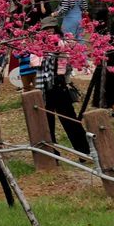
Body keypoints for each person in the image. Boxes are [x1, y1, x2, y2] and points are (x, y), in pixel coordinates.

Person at [36, 19, 90, 155]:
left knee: (69, 120)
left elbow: (66, 66)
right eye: (46, 28)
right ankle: (52, 153)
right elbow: (34, 64)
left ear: (56, 28)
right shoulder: (38, 46)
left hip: (59, 85)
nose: (49, 31)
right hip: (43, 87)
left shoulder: (62, 44)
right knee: (47, 122)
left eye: (51, 28)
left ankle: (84, 152)